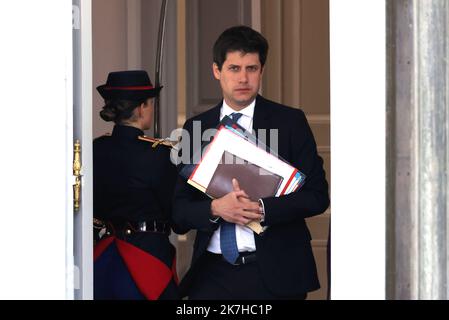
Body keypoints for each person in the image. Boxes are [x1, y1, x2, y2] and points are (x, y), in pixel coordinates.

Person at [173, 26, 329, 299]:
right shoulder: (196, 127)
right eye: (234, 68)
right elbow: (178, 212)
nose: (243, 78)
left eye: (251, 68)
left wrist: (261, 209)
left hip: (276, 274)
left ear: (261, 71)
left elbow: (317, 196)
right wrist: (216, 208)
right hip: (212, 276)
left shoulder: (290, 122)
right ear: (216, 71)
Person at [93, 70, 183, 300]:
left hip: (104, 257)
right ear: (142, 107)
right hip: (148, 258)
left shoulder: (96, 149)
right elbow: (176, 216)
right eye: (150, 104)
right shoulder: (159, 154)